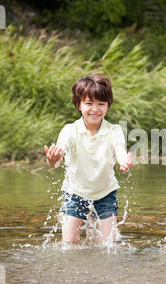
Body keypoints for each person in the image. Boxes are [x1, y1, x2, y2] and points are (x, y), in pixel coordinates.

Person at [45, 74, 132, 244]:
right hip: (75, 193)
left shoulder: (114, 130)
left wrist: (124, 160)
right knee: (69, 243)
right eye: (89, 103)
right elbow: (56, 162)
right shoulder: (70, 130)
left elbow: (120, 149)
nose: (95, 109)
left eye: (101, 104)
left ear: (108, 106)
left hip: (105, 193)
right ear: (79, 105)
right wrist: (52, 158)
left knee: (110, 245)